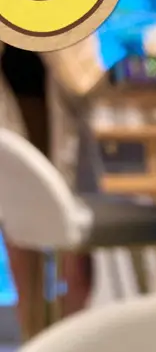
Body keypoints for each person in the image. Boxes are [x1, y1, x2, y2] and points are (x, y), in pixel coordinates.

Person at [0, 35, 105, 336]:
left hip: (62, 132)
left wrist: (50, 36)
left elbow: (86, 83)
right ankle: (34, 344)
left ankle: (69, 347)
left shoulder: (67, 16)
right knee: (22, 248)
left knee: (77, 263)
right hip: (11, 130)